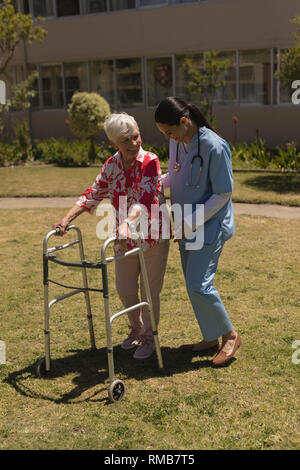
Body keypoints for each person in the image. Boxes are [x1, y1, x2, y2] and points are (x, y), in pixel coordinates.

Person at [53, 113, 169, 360]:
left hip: (153, 235)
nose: (134, 143)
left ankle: (149, 339)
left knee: (149, 291)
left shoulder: (150, 161)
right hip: (123, 236)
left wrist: (128, 222)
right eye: (126, 140)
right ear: (115, 143)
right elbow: (92, 194)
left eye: (136, 136)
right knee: (125, 288)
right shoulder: (111, 165)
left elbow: (146, 199)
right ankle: (136, 330)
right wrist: (67, 219)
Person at [155, 97, 242, 366]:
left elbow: (223, 193)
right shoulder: (177, 141)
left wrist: (189, 223)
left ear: (184, 121)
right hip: (183, 225)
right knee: (193, 287)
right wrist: (155, 183)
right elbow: (176, 174)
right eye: (164, 135)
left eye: (170, 132)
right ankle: (210, 337)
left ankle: (230, 336)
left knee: (199, 285)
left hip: (208, 226)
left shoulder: (215, 146)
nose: (168, 138)